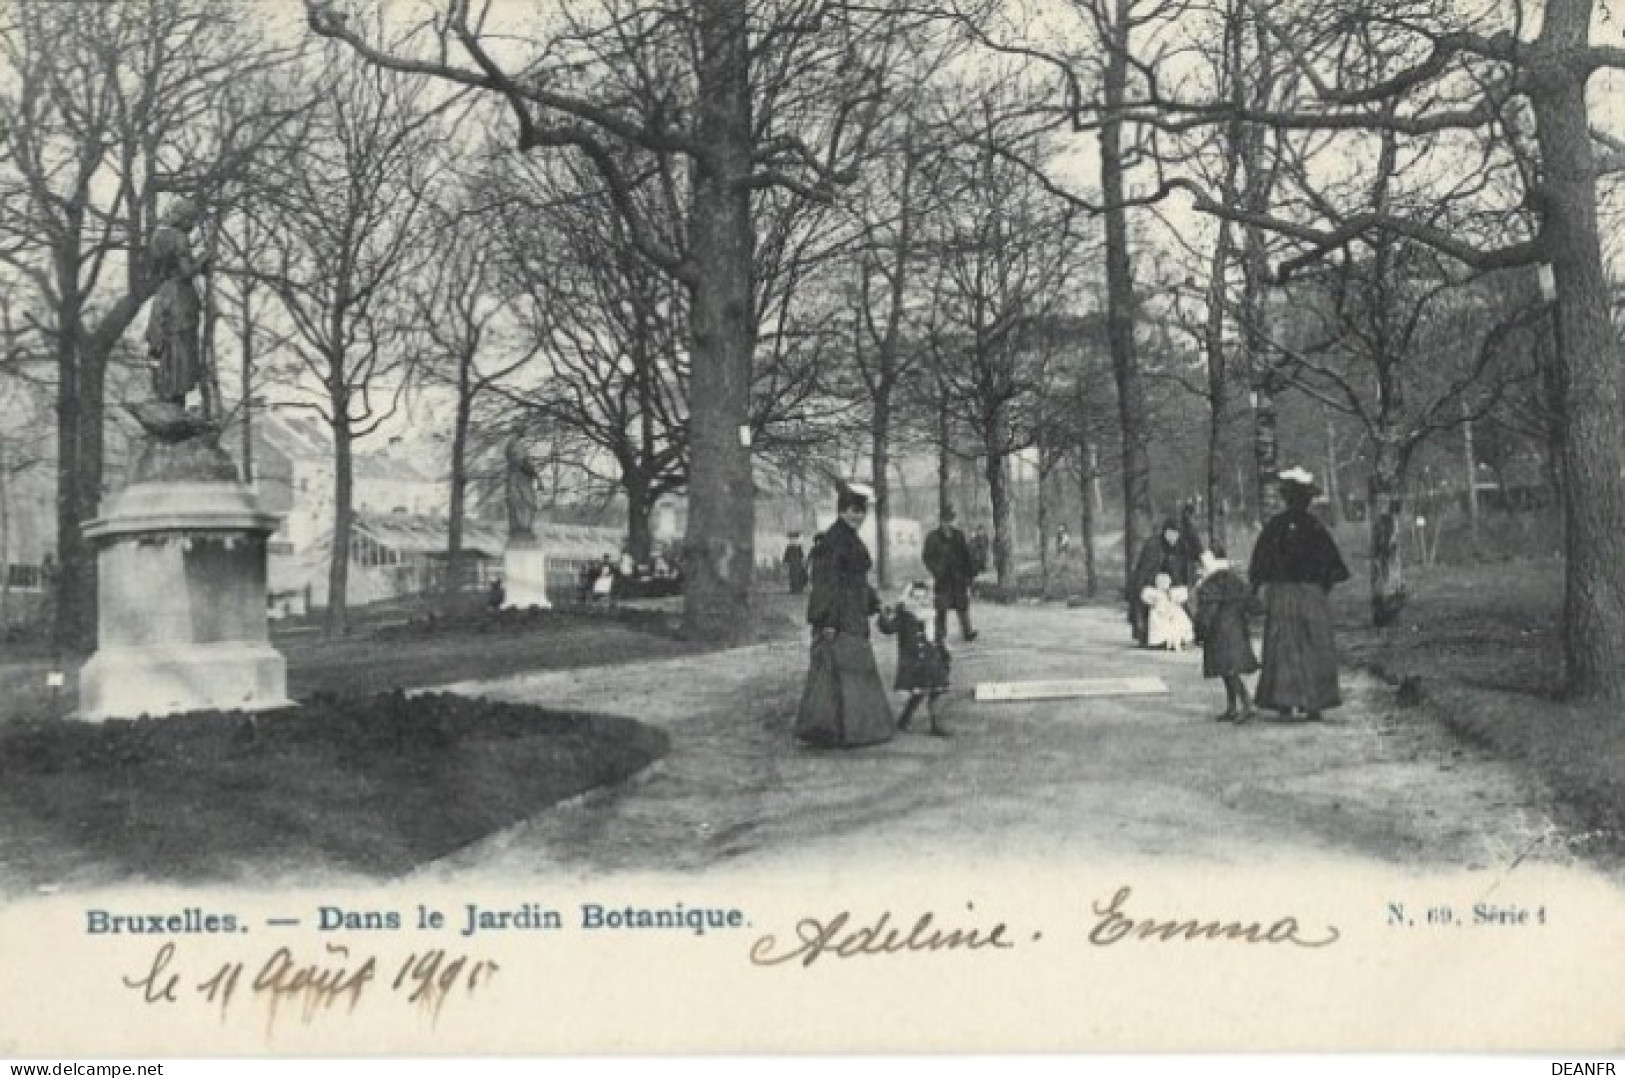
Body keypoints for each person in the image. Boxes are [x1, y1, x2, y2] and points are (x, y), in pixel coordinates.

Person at [794, 484, 894, 748]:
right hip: (838, 616)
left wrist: (875, 603)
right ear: (841, 511)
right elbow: (825, 585)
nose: (857, 517)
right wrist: (827, 622)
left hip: (853, 613)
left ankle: (852, 730)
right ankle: (834, 731)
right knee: (836, 672)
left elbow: (858, 581)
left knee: (850, 670)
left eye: (861, 512)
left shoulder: (850, 538)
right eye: (852, 511)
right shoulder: (833, 541)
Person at [1248, 466, 1351, 721]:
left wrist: (1260, 584)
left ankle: (1285, 702)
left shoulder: (1276, 526)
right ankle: (1313, 702)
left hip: (1282, 594)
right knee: (1313, 645)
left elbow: (1260, 562)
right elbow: (1333, 565)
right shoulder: (1315, 527)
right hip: (1310, 594)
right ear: (1306, 500)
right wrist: (1321, 585)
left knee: (1283, 647)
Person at [145, 197, 209, 409]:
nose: (192, 227)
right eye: (191, 221)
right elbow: (187, 272)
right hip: (180, 299)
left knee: (166, 347)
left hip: (163, 295)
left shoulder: (157, 236)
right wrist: (204, 258)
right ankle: (175, 400)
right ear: (184, 219)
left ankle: (166, 394)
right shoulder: (179, 238)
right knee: (181, 350)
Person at [877, 581, 952, 737]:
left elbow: (939, 636)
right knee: (919, 692)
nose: (919, 601)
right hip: (914, 659)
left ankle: (936, 724)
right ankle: (905, 719)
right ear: (908, 598)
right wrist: (885, 615)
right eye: (915, 597)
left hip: (933, 658)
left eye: (923, 597)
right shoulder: (905, 616)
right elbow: (888, 628)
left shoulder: (933, 614)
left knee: (936, 690)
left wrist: (944, 651)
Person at [1194, 546, 1259, 723]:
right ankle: (1233, 707)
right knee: (1229, 671)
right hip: (1237, 630)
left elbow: (1208, 611)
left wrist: (1200, 631)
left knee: (1229, 672)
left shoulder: (1211, 583)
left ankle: (1246, 704)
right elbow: (1253, 604)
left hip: (1219, 633)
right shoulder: (1235, 580)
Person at [1129, 516, 1197, 646]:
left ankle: (1179, 635)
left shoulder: (1182, 547)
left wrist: (1182, 584)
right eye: (1170, 533)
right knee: (1156, 605)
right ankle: (1151, 636)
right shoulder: (1153, 545)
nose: (1173, 537)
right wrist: (1155, 582)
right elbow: (1144, 571)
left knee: (1177, 605)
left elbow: (1186, 570)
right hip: (1153, 585)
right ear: (1165, 532)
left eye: (1176, 534)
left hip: (1174, 586)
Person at [922, 505, 979, 643]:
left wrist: (969, 575)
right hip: (943, 579)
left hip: (958, 577)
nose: (948, 523)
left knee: (962, 606)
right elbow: (927, 557)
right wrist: (936, 570)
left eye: (950, 520)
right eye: (945, 520)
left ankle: (968, 631)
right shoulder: (932, 537)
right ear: (940, 521)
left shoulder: (959, 535)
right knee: (941, 607)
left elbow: (966, 556)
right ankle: (940, 633)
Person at [1139, 572, 1194, 651]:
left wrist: (1172, 599)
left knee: (1179, 623)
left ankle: (1181, 640)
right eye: (1161, 583)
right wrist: (1154, 602)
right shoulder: (1154, 593)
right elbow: (1145, 597)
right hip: (1159, 613)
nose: (1163, 585)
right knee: (1159, 626)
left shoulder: (1173, 592)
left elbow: (1183, 597)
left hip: (1173, 611)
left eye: (1166, 583)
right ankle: (1160, 642)